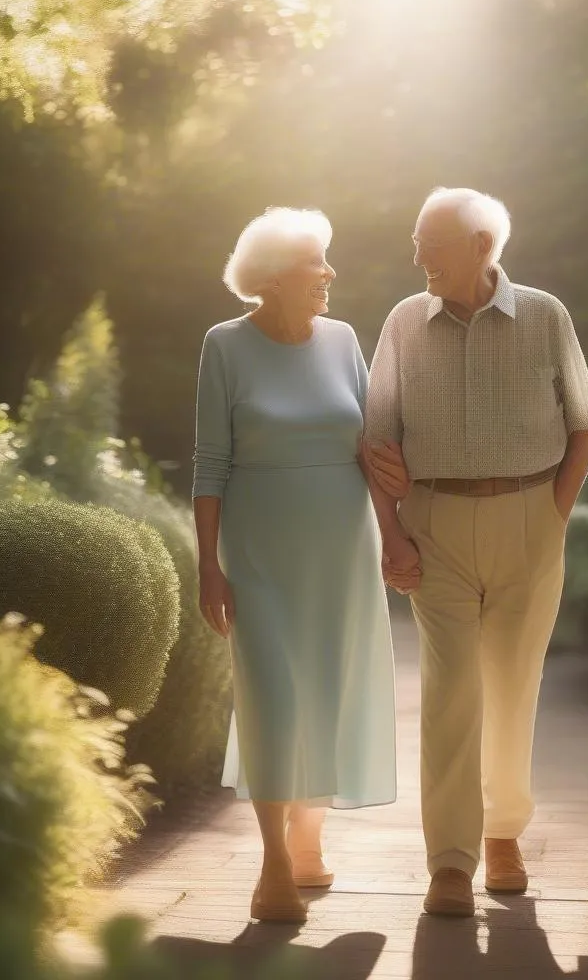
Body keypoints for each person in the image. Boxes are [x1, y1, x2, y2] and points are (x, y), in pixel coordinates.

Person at [364, 186, 588, 918]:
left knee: (511, 690)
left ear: (478, 245)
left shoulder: (544, 315)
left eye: (429, 243)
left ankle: (503, 836)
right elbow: (375, 442)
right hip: (434, 524)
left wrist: (553, 512)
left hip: (530, 519)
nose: (416, 257)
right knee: (450, 692)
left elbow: (585, 424)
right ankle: (450, 861)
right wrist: (393, 532)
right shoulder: (405, 322)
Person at [192, 207, 402, 924]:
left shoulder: (344, 340)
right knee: (274, 698)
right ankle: (273, 863)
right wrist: (207, 566)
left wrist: (397, 536)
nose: (330, 274)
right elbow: (210, 464)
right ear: (276, 277)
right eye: (318, 262)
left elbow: (373, 445)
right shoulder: (224, 346)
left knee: (330, 690)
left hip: (343, 549)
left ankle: (308, 842)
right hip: (257, 552)